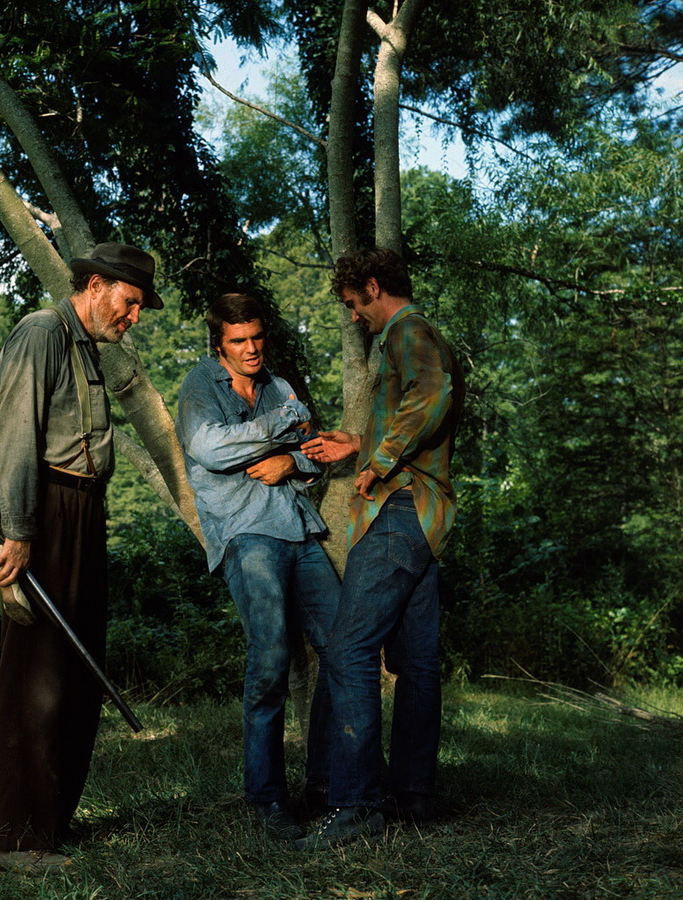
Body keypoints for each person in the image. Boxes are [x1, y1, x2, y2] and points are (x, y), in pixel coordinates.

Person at [0, 243, 163, 873]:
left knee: (79, 671)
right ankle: (16, 840)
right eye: (130, 302)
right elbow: (14, 436)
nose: (133, 317)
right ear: (95, 286)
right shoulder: (42, 332)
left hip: (84, 511)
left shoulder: (87, 347)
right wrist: (18, 532)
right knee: (36, 675)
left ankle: (51, 825)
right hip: (46, 512)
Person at [297, 248, 465, 849]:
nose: (353, 316)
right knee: (416, 660)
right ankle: (412, 795)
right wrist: (359, 443)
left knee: (348, 651)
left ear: (373, 287)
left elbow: (433, 391)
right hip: (426, 515)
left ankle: (354, 803)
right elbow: (422, 409)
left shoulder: (407, 330)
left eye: (352, 303)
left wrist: (380, 460)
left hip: (398, 511)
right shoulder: (419, 334)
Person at [175, 294, 341, 842]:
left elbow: (315, 451)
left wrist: (290, 459)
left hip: (300, 529)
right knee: (270, 658)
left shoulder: (278, 383)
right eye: (238, 341)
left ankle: (325, 782)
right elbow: (211, 450)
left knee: (343, 646)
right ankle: (267, 797)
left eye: (257, 337)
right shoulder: (200, 386)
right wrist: (284, 423)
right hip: (247, 535)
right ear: (219, 344)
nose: (251, 349)